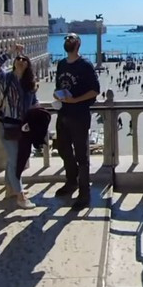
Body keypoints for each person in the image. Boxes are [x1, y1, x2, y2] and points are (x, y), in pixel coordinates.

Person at [53, 34, 100, 209]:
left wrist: (76, 100)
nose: (68, 39)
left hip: (79, 116)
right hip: (62, 114)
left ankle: (84, 193)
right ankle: (71, 181)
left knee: (82, 156)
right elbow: (59, 86)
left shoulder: (85, 65)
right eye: (66, 38)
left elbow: (95, 90)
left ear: (78, 44)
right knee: (64, 150)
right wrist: (56, 95)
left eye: (71, 38)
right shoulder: (61, 64)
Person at [0, 43, 38, 209]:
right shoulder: (6, 79)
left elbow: (34, 104)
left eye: (23, 59)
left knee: (14, 161)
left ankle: (10, 190)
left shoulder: (30, 84)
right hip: (8, 126)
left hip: (23, 127)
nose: (20, 60)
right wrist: (9, 52)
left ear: (28, 64)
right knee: (15, 160)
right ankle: (20, 196)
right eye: (17, 58)